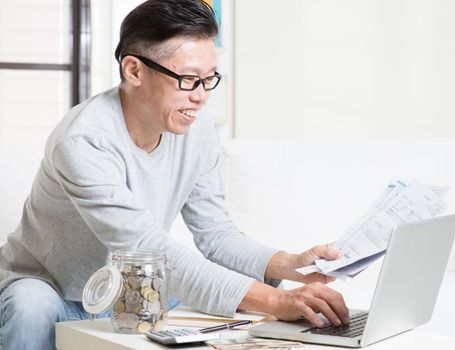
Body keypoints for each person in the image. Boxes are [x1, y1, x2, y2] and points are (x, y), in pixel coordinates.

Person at [0, 1, 348, 349]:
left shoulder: (194, 128)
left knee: (260, 291)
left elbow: (216, 235)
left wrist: (290, 264)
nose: (201, 97)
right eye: (187, 79)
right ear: (134, 71)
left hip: (135, 289)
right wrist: (274, 302)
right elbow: (146, 248)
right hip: (52, 288)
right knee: (30, 308)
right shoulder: (83, 140)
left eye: (209, 79)